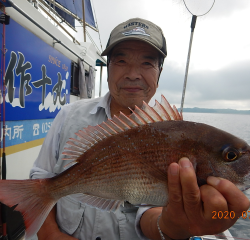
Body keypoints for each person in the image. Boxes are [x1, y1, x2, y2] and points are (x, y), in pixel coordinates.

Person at [30, 17, 250, 240]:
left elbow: (151, 214)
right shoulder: (69, 115)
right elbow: (41, 177)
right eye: (121, 60)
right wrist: (49, 234)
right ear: (108, 68)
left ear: (159, 71)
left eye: (147, 63)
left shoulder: (169, 132)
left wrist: (173, 225)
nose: (133, 73)